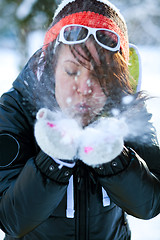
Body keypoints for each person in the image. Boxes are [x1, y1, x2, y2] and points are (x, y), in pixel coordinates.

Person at [0, 0, 160, 239]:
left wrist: (113, 159)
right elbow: (11, 219)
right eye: (72, 71)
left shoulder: (127, 111)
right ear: (51, 67)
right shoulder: (16, 109)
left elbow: (148, 205)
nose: (84, 87)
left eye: (101, 74)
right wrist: (53, 161)